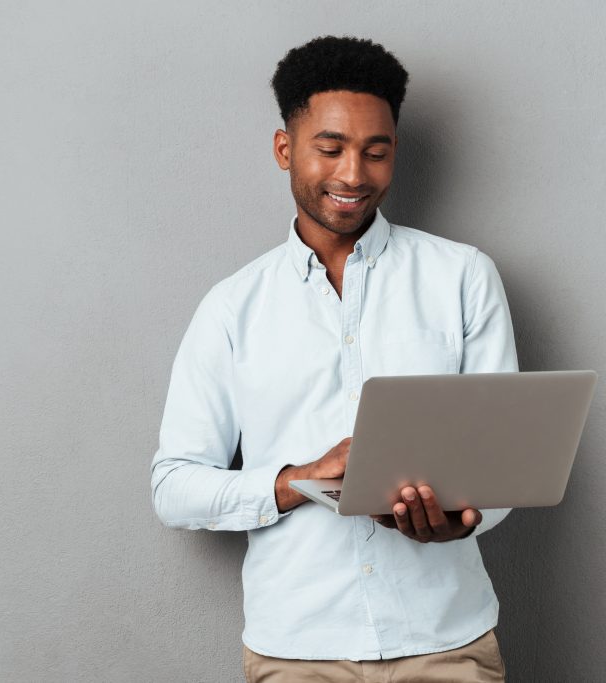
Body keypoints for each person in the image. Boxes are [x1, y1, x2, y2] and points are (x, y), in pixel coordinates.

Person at [150, 35, 517, 682]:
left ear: (394, 153)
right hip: (296, 649)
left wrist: (459, 522)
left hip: (446, 639)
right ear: (284, 149)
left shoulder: (463, 277)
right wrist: (299, 479)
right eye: (331, 148)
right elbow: (175, 487)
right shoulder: (231, 307)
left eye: (375, 152)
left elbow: (505, 464)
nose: (353, 174)